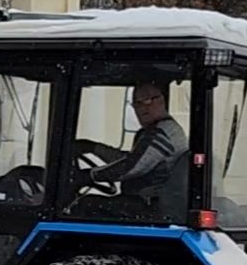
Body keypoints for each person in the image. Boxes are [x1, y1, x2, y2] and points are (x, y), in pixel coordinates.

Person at [75, 80, 188, 216]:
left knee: (83, 205)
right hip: (148, 204)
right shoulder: (159, 130)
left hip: (149, 207)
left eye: (147, 100)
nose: (142, 108)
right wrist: (93, 148)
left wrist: (89, 176)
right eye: (137, 103)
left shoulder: (162, 132)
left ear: (162, 99)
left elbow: (132, 166)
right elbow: (129, 159)